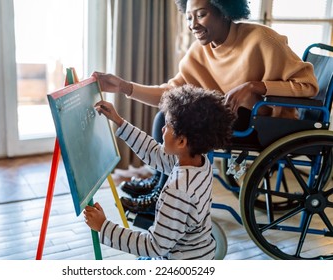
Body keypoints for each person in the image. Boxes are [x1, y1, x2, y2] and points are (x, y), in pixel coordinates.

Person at [93, 0, 319, 214]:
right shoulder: (201, 52)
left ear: (225, 10)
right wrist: (124, 86)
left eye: (201, 14)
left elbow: (308, 86)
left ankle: (161, 191)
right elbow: (170, 93)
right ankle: (160, 180)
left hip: (266, 123)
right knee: (166, 114)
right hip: (234, 118)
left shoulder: (262, 40)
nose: (193, 25)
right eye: (189, 17)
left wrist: (255, 86)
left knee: (181, 119)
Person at [84, 85, 235, 259]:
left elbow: (155, 247)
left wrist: (103, 226)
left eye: (167, 125)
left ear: (181, 142)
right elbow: (154, 153)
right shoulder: (199, 163)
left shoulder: (178, 190)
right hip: (198, 253)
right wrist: (119, 121)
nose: (162, 129)